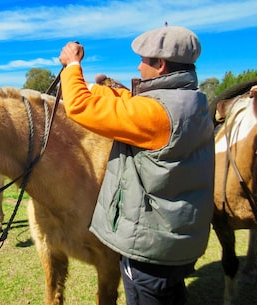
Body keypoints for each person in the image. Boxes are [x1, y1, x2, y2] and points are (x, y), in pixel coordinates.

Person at [58, 26, 215, 305]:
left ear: (161, 65)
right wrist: (98, 90)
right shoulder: (194, 102)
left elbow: (80, 107)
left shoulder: (154, 113)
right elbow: (134, 104)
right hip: (178, 241)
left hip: (150, 250)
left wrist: (72, 66)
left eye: (144, 60)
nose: (139, 65)